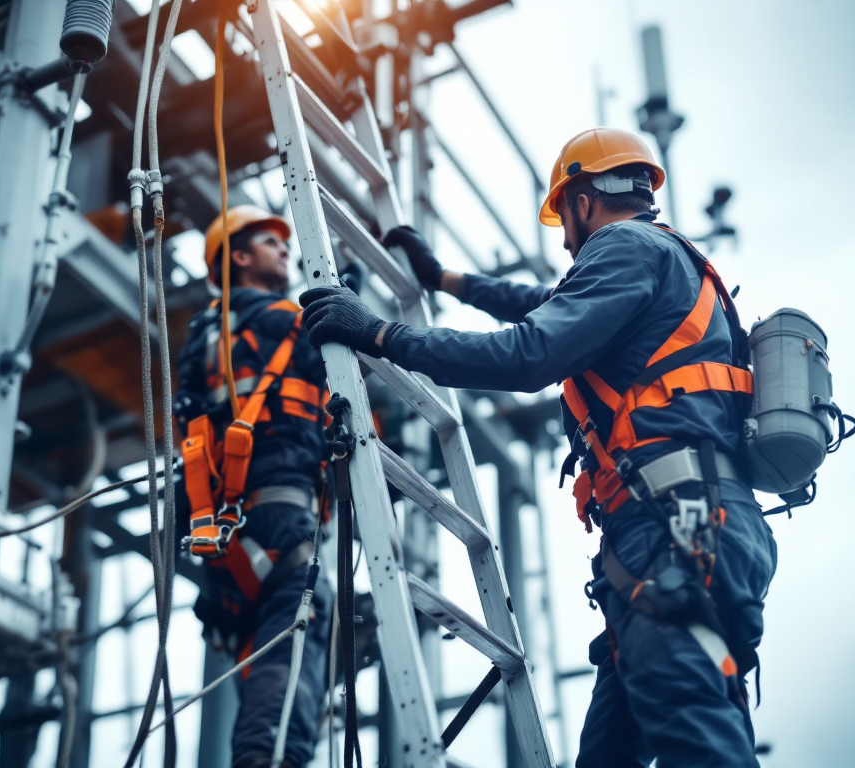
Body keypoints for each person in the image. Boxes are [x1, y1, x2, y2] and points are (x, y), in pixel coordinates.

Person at [299, 128, 778, 768]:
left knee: (696, 739)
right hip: (692, 526)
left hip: (671, 529)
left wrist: (383, 335)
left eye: (564, 217)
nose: (563, 239)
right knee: (615, 749)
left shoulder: (623, 248)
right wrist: (443, 279)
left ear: (584, 198)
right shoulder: (662, 259)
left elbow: (530, 352)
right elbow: (546, 302)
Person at [174, 206, 350, 768]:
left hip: (223, 534)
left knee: (259, 657)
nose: (285, 249)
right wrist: (354, 288)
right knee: (293, 643)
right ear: (241, 258)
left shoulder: (201, 340)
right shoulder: (279, 319)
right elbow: (345, 340)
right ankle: (269, 761)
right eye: (270, 242)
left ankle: (258, 754)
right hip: (283, 514)